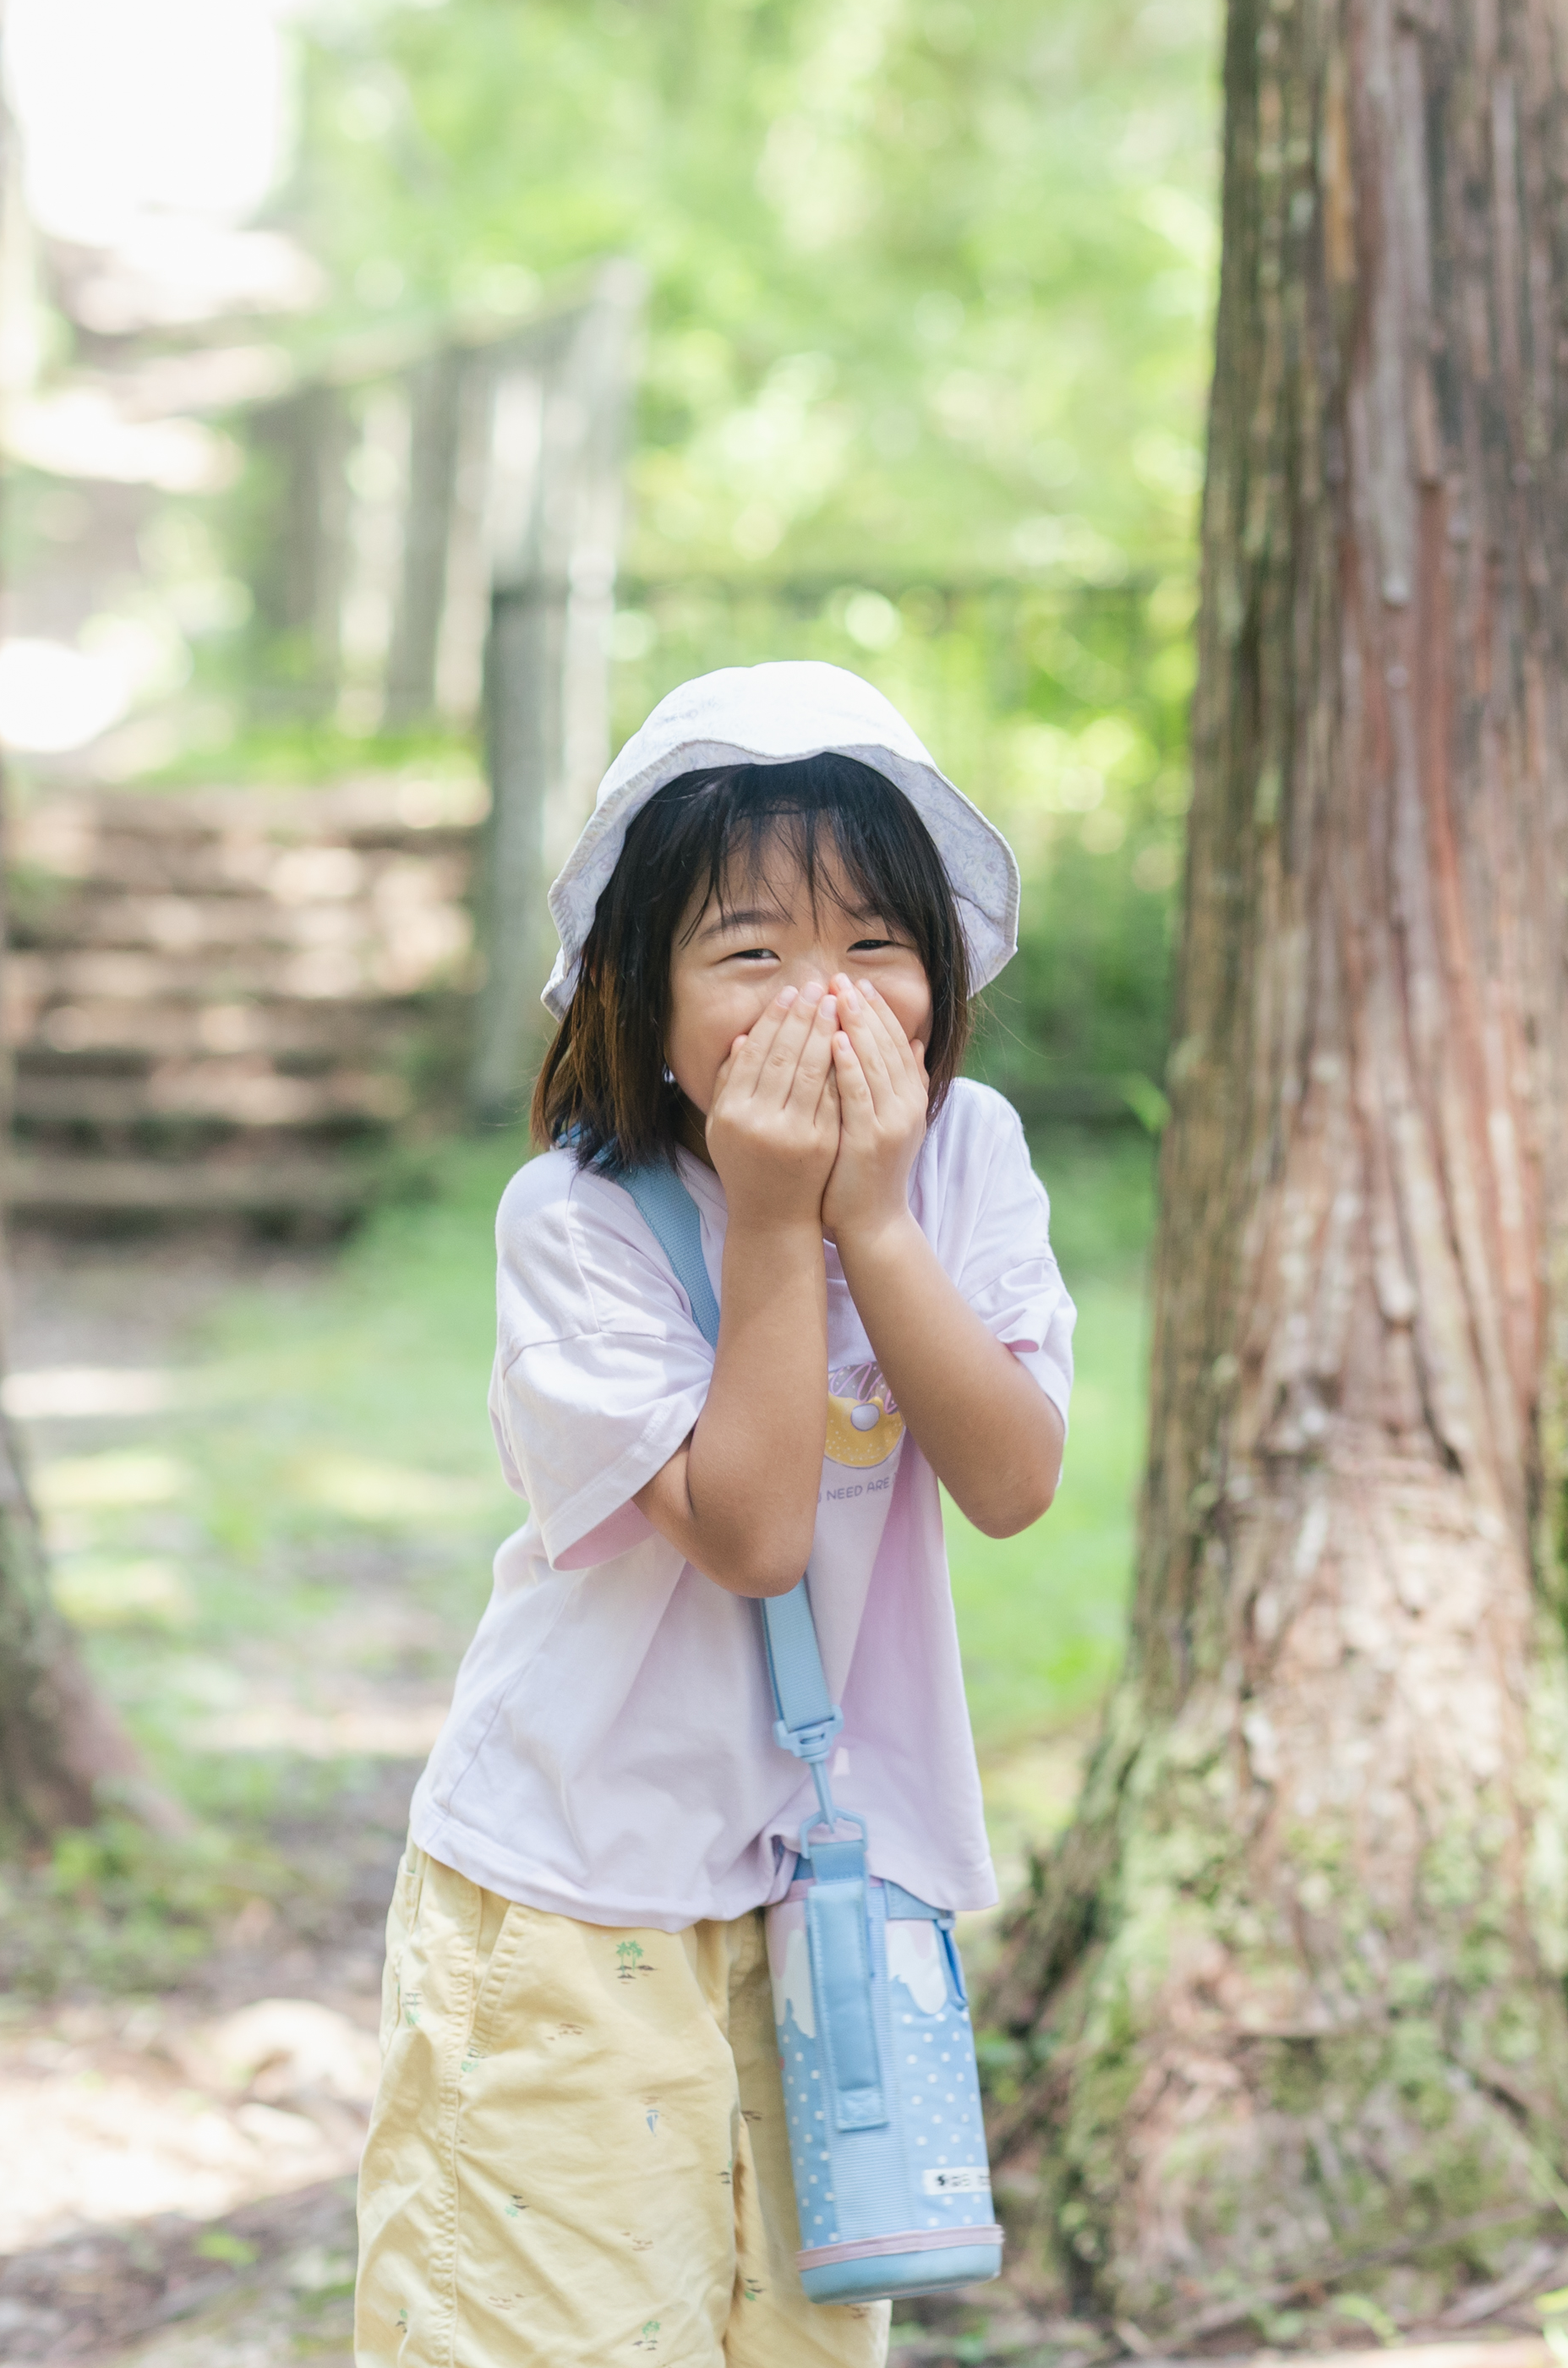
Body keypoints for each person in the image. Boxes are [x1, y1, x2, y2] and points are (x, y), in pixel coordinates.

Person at [356, 666, 1076, 2367]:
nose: (818, 999)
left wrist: (877, 1228)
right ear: (639, 1002)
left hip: (827, 1902)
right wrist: (773, 1231)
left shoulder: (967, 1162)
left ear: (942, 979)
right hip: (574, 1896)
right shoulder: (580, 1221)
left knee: (798, 2343)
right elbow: (753, 1537)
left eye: (874, 948)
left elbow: (1014, 1479)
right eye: (751, 953)